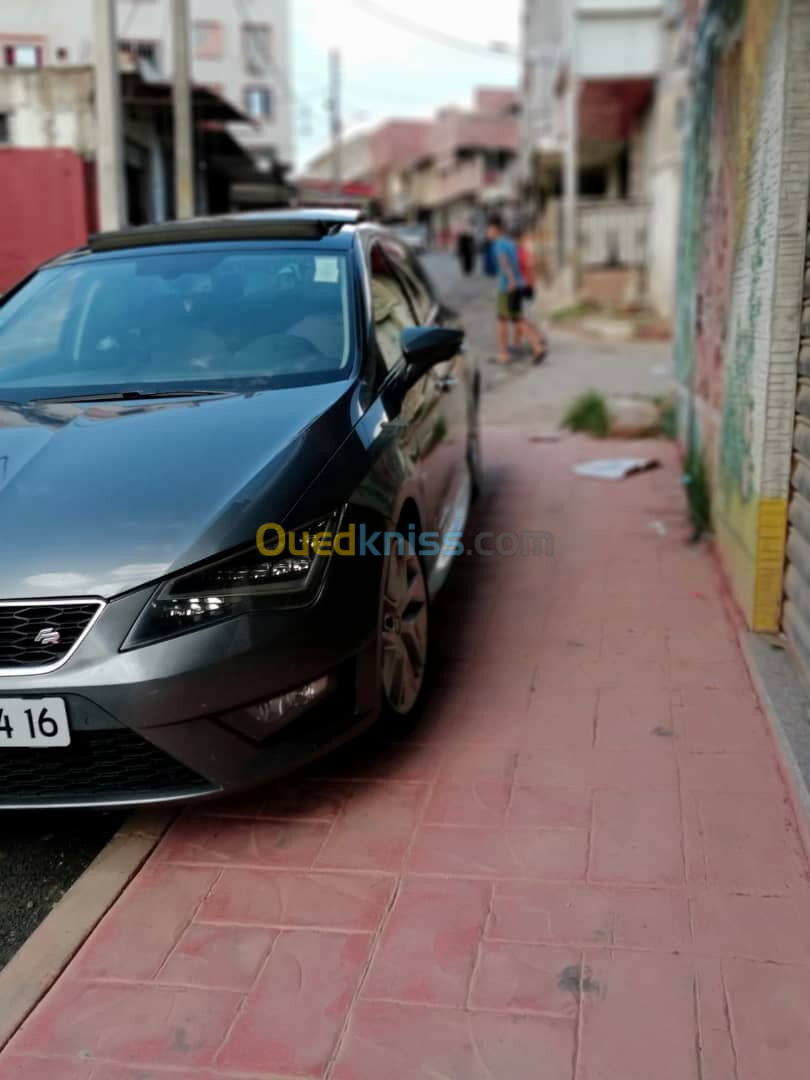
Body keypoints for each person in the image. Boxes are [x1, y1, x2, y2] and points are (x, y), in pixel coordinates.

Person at [487, 214, 546, 365]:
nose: (488, 233)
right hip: (517, 284)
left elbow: (504, 262)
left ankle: (504, 353)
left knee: (504, 320)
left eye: (489, 230)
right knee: (516, 319)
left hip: (507, 287)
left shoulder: (499, 244)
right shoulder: (510, 243)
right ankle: (536, 344)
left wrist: (511, 280)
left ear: (495, 229)